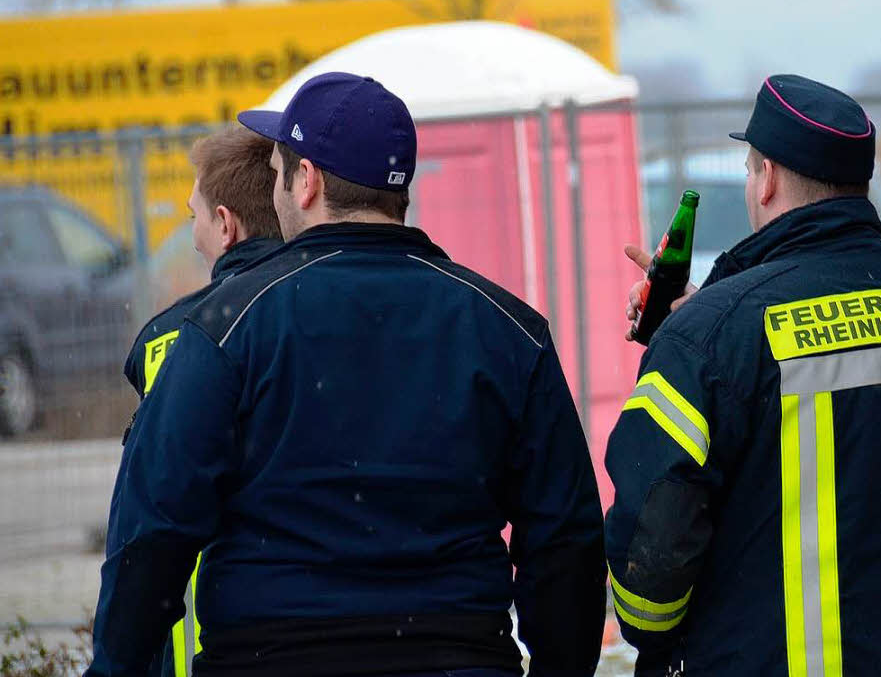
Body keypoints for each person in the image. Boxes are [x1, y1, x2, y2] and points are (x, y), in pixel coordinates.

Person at [87, 72, 606, 677]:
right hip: (459, 657)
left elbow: (152, 535)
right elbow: (565, 541)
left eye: (281, 169)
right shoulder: (507, 329)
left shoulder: (226, 327)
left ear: (305, 181)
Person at [604, 74, 881, 676]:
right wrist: (704, 321)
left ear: (768, 180)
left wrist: (695, 335)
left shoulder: (712, 336)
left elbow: (651, 577)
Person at [121, 124, 282, 677]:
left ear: (224, 224)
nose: (191, 234)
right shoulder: (332, 310)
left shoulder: (177, 337)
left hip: (206, 640)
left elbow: (150, 524)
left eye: (194, 215)